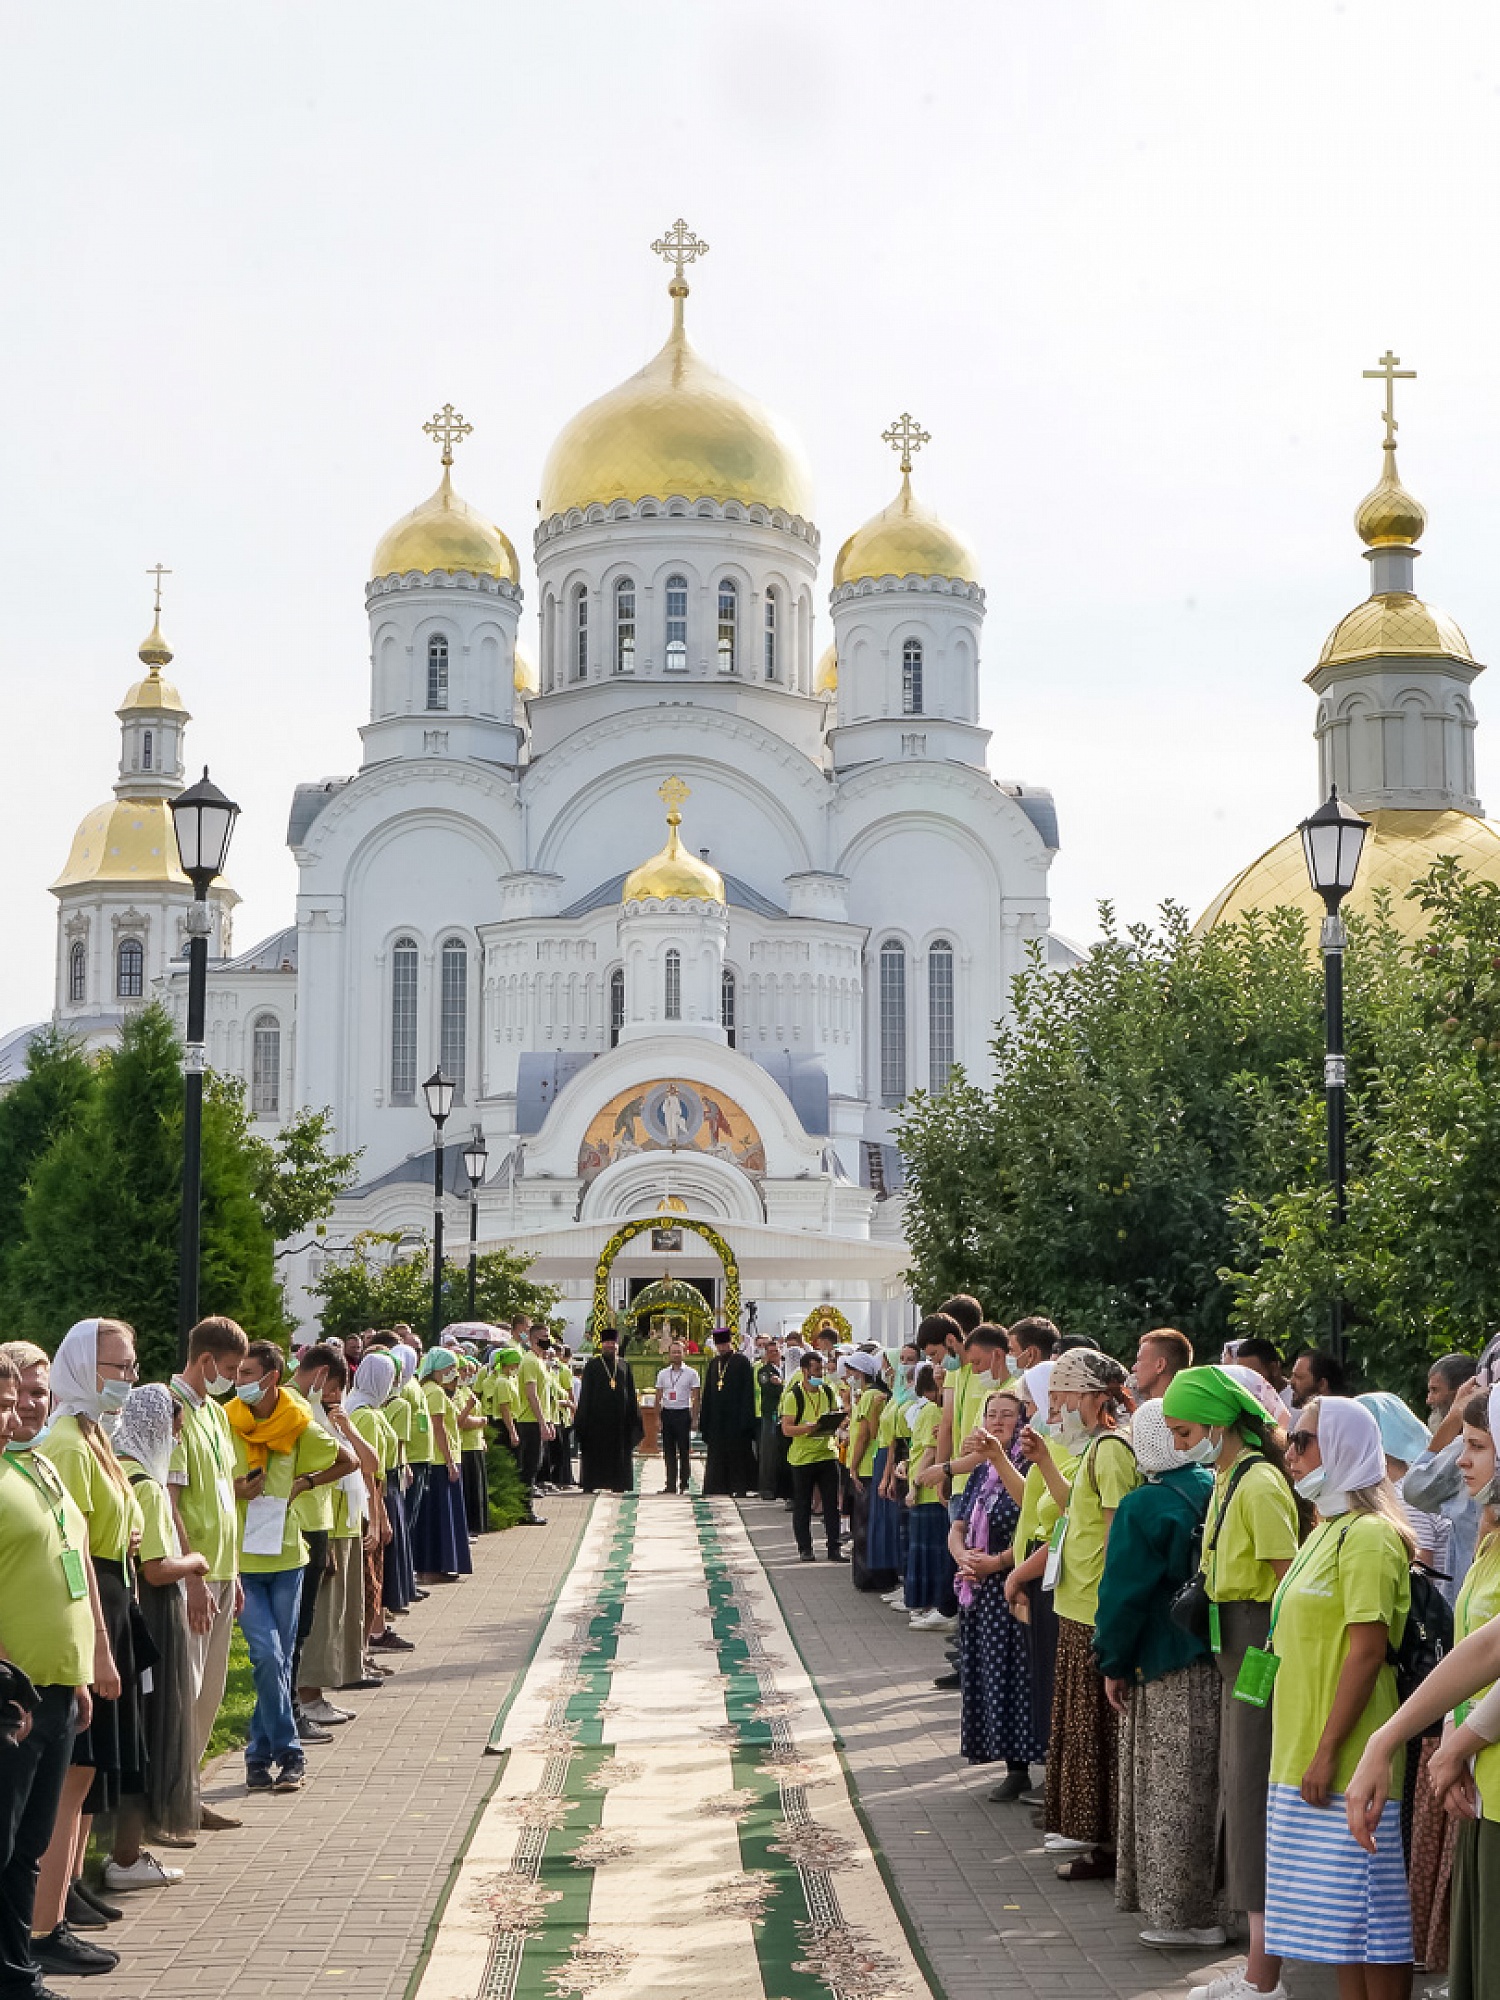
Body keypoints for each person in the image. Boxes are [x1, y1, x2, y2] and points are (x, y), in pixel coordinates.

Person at [1346, 1386, 1500, 2000]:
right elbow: (1485, 1647)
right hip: (1488, 1790)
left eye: (1480, 1446)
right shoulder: (1489, 1538)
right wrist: (1398, 1740)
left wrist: (1453, 1744)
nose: (1463, 1461)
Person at [1257, 1398, 1412, 1992]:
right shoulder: (1325, 1530)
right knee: (1341, 1928)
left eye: (1304, 1441)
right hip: (1299, 1755)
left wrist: (1326, 1752)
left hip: (1348, 1761)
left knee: (1373, 1922)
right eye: (1291, 1440)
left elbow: (1368, 1652)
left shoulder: (1371, 1537)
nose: (1290, 1454)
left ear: (1346, 1448)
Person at [1163, 1363, 1302, 2000]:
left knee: (1249, 1792)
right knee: (1237, 1784)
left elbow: (1288, 1582)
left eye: (1184, 1427)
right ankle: (1255, 1963)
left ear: (1219, 1422)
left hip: (1257, 1646)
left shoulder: (1259, 1484)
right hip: (1233, 1643)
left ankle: (1263, 1978)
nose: (1176, 1439)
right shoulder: (1231, 1475)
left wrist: (1268, 1657)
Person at [31, 1318, 150, 1975]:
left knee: (87, 1771)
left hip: (112, 1588)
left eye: (132, 1368)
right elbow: (68, 1544)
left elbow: (107, 1522)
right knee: (73, 1772)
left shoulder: (92, 1435)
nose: (127, 1380)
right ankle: (45, 1917)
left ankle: (64, 1891)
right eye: (118, 1367)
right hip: (93, 1602)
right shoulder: (68, 1445)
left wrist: (128, 1537)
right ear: (82, 1366)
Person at [0, 1347, 116, 1996]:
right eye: (14, 1395)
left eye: (36, 1394)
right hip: (12, 1697)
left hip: (55, 1690)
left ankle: (18, 1975)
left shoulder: (40, 1465)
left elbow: (71, 1567)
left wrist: (81, 1668)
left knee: (26, 1847)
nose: (24, 1407)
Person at [1094, 1398, 1222, 1950]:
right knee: (1212, 1783)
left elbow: (1122, 1595)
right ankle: (1221, 1905)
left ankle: (1175, 1916)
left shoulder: (1143, 1505)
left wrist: (1112, 1663)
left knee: (1168, 1788)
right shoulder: (1216, 1485)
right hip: (1219, 1655)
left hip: (1164, 1660)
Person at [1026, 1345, 1139, 1883]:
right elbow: (1075, 1506)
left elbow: (1119, 1538)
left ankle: (1110, 1845)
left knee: (1097, 1735)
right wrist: (1044, 1461)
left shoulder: (1114, 1449)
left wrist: (1114, 1611)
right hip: (1078, 1604)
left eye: (1065, 1396)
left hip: (1096, 1609)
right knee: (1080, 1730)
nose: (1057, 1408)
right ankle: (1095, 1838)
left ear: (1093, 1398)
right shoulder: (1095, 1448)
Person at [228, 1340, 354, 1796]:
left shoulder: (298, 1424)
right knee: (266, 1656)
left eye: (247, 1374)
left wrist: (306, 1481)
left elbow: (349, 1459)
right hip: (243, 1561)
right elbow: (209, 1483)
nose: (238, 1381)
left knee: (280, 1660)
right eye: (237, 1372)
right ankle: (290, 1754)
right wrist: (235, 1491)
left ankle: (259, 1757)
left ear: (271, 1378)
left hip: (287, 1559)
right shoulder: (228, 1423)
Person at [109, 1386, 202, 1880]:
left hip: (129, 1613)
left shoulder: (117, 1469)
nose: (178, 1438)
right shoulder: (144, 1482)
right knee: (154, 1725)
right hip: (155, 1614)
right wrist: (196, 1562)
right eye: (175, 1428)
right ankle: (127, 1852)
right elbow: (158, 1567)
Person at [166, 1314, 247, 1831]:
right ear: (205, 1361)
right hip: (192, 1576)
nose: (235, 1378)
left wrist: (231, 1572)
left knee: (210, 1691)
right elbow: (168, 1503)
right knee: (186, 1690)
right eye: (232, 1368)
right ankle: (170, 1800)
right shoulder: (171, 1410)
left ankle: (189, 1791)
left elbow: (223, 1491)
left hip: (221, 1570)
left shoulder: (214, 1414)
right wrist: (193, 1578)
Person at [949, 1385, 1042, 1800]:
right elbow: (959, 1525)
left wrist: (997, 1562)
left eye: (1007, 1415)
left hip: (1012, 1584)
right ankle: (1012, 1766)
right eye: (991, 1415)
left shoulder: (1028, 1465)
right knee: (990, 1675)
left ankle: (1032, 1761)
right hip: (979, 1590)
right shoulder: (981, 1471)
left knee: (1020, 1675)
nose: (998, 1422)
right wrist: (963, 1557)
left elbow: (1035, 1529)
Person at [299, 1354, 378, 1710]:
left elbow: (368, 1464)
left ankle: (326, 1686)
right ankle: (308, 1693)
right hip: (319, 1523)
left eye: (337, 1392)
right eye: (331, 1389)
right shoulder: (302, 1409)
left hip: (344, 1521)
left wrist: (348, 1429)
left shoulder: (335, 1415)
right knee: (320, 1615)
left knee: (340, 1613)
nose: (333, 1397)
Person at [1404, 1353, 1482, 1606]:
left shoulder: (1462, 1449)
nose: (1429, 1400)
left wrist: (1454, 1419)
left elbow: (1416, 1488)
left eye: (1435, 1390)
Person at [902, 1363, 958, 1627]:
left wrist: (915, 1485)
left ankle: (932, 1604)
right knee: (927, 1552)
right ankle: (928, 1603)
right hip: (929, 1487)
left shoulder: (933, 1413)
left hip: (930, 1491)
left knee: (930, 1553)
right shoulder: (931, 1411)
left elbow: (930, 1451)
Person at [411, 1349, 471, 1583]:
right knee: (440, 1516)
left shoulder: (428, 1390)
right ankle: (434, 1567)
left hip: (436, 1460)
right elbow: (439, 1428)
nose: (452, 1373)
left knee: (434, 1516)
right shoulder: (434, 1393)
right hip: (440, 1461)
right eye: (448, 1368)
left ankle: (433, 1567)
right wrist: (449, 1462)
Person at [780, 1348, 842, 1562]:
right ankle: (805, 1548)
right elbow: (787, 1429)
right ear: (805, 1371)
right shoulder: (794, 1396)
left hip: (827, 1454)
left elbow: (837, 1415)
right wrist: (808, 1429)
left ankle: (835, 1548)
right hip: (803, 1457)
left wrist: (835, 1422)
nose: (820, 1375)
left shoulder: (828, 1391)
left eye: (822, 1370)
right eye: (816, 1370)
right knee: (803, 1504)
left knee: (831, 1505)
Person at [842, 1352, 892, 1592]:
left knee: (862, 1525)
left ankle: (867, 1576)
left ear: (860, 1373)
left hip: (865, 1467)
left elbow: (865, 1435)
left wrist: (852, 1465)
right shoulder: (868, 1396)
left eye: (850, 1372)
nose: (847, 1376)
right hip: (870, 1466)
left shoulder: (871, 1396)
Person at [574, 1330, 644, 1493]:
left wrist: (635, 1417)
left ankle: (618, 1483)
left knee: (618, 1454)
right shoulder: (592, 1365)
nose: (610, 1346)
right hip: (596, 1421)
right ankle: (591, 1483)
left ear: (617, 1345)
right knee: (595, 1453)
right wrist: (582, 1418)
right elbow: (585, 1394)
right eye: (606, 1343)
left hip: (619, 1421)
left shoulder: (624, 1365)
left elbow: (631, 1392)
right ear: (601, 1345)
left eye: (613, 1343)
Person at [699, 1329, 757, 1498]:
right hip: (717, 1418)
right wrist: (705, 1419)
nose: (722, 1348)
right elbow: (708, 1392)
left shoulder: (742, 1362)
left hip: (736, 1418)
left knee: (737, 1454)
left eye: (724, 1344)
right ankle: (716, 1486)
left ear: (730, 1343)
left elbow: (748, 1393)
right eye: (719, 1345)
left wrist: (746, 1420)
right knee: (717, 1453)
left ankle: (739, 1486)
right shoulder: (714, 1363)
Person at [513, 1325, 555, 1524]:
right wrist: (541, 1422)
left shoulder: (540, 1361)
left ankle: (525, 1508)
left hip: (538, 1420)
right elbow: (532, 1394)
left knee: (535, 1465)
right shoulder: (529, 1361)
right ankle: (524, 1511)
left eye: (548, 1336)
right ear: (531, 1339)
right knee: (529, 1467)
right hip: (529, 1421)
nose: (546, 1340)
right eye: (542, 1337)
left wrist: (549, 1421)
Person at [654, 1339, 700, 1497]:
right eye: (673, 1352)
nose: (676, 1355)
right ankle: (670, 1484)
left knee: (684, 1450)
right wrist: (657, 1418)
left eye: (679, 1352)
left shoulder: (692, 1373)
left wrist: (694, 1418)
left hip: (683, 1413)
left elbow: (696, 1398)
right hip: (668, 1413)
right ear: (669, 1354)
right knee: (668, 1451)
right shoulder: (662, 1374)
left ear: (684, 1353)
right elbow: (658, 1397)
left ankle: (685, 1483)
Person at [454, 1358, 490, 1536]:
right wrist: (481, 1421)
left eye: (470, 1371)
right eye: (464, 1370)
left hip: (475, 1444)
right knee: (468, 1490)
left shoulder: (467, 1390)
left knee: (477, 1489)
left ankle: (476, 1527)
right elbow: (461, 1421)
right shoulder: (457, 1394)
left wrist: (482, 1437)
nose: (468, 1374)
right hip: (464, 1446)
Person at [754, 1341, 789, 1503]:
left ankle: (783, 1488)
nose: (774, 1354)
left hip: (787, 1414)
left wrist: (781, 1383)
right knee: (769, 1452)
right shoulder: (764, 1371)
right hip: (771, 1415)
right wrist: (782, 1386)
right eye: (771, 1351)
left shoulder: (787, 1369)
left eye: (776, 1351)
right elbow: (770, 1390)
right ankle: (767, 1488)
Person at [1132, 1328, 1193, 1402]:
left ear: (1160, 1365)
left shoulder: (1152, 1409)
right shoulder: (1190, 1406)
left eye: (1139, 1360)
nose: (1133, 1368)